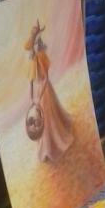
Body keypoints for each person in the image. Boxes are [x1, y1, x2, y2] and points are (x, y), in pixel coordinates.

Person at [24, 19, 74, 163]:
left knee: (47, 117)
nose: (32, 49)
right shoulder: (32, 59)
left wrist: (39, 96)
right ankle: (45, 144)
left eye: (33, 45)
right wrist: (32, 97)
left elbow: (45, 78)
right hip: (38, 92)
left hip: (45, 90)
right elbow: (31, 80)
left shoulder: (40, 57)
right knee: (40, 117)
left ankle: (48, 146)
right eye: (31, 46)